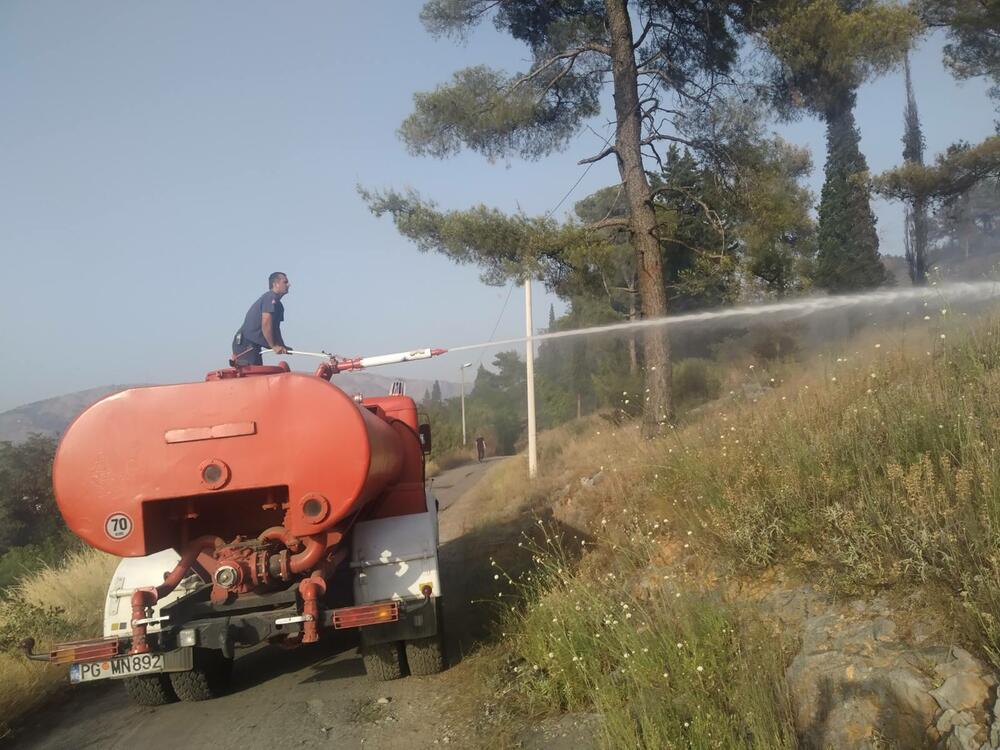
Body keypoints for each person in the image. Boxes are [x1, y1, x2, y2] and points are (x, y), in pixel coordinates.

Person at [231, 272, 291, 366]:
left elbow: (276, 328)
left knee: (257, 368)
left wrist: (282, 345)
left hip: (254, 344)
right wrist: (274, 346)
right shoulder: (270, 298)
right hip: (245, 343)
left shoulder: (279, 306)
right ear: (275, 284)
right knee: (252, 374)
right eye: (285, 282)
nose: (289, 285)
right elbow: (266, 324)